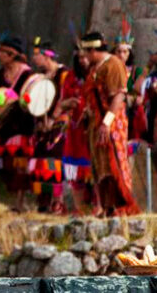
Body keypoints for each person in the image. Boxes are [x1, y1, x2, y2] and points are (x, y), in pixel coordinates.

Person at [82, 31, 138, 217]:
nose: (84, 57)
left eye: (86, 52)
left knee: (113, 162)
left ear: (94, 50)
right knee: (100, 166)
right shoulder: (94, 68)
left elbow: (119, 96)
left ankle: (120, 205)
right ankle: (106, 206)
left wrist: (106, 123)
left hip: (112, 122)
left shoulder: (113, 64)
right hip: (96, 122)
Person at [0, 34, 35, 214]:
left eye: (2, 52)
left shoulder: (28, 75)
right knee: (6, 165)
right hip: (6, 125)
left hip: (23, 123)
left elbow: (34, 98)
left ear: (11, 54)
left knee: (21, 164)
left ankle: (20, 201)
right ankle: (12, 200)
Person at [29, 40, 71, 214]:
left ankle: (58, 202)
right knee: (41, 162)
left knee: (55, 161)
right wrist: (39, 120)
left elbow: (64, 98)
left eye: (36, 55)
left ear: (46, 56)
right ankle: (43, 202)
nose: (33, 58)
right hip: (43, 125)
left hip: (59, 122)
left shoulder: (64, 74)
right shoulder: (40, 76)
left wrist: (53, 118)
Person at [62, 47, 93, 214]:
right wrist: (70, 103)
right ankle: (79, 208)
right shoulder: (70, 77)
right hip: (76, 130)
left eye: (85, 56)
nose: (83, 60)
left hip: (94, 128)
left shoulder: (98, 74)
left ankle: (99, 207)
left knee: (96, 170)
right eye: (79, 57)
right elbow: (63, 102)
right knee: (76, 173)